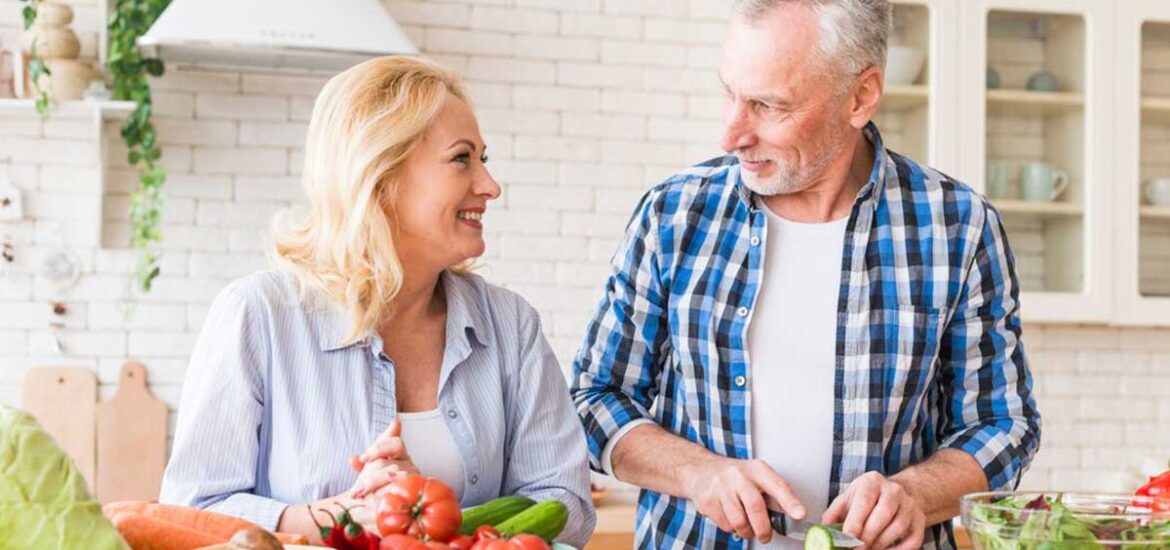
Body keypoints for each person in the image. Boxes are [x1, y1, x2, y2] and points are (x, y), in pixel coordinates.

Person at [570, 1, 1041, 548]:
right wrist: (698, 473)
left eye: (768, 106)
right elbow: (594, 398)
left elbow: (1004, 425)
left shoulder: (958, 225)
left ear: (860, 96)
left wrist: (913, 493)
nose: (731, 134)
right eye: (730, 94)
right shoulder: (673, 216)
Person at [160, 56, 595, 547]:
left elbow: (567, 506)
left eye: (483, 160)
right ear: (380, 174)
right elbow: (191, 511)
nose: (489, 186)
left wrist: (431, 517)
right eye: (461, 159)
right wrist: (337, 517)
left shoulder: (511, 325)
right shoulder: (258, 315)